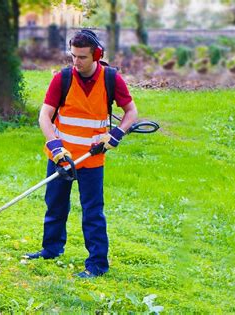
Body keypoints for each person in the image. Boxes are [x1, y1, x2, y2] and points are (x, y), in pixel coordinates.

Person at [25, 29, 138, 278]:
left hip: (92, 158)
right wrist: (55, 146)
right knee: (55, 205)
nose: (76, 62)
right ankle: (51, 249)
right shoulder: (62, 79)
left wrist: (117, 133)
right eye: (73, 56)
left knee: (93, 211)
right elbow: (44, 115)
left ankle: (97, 264)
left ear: (96, 55)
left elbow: (131, 112)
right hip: (62, 156)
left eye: (82, 57)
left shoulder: (111, 79)